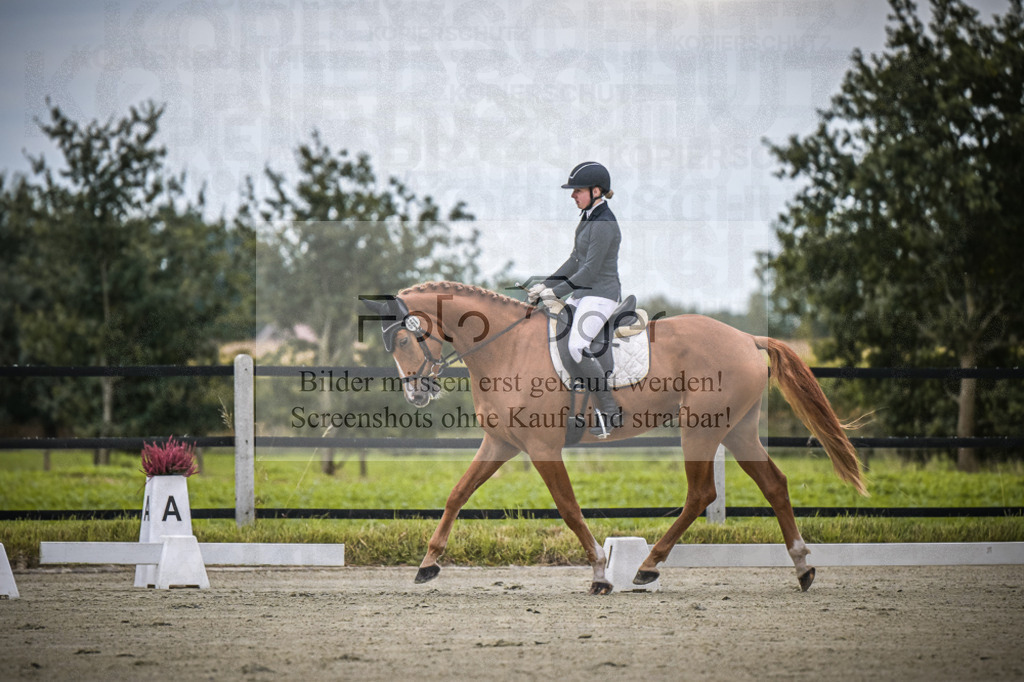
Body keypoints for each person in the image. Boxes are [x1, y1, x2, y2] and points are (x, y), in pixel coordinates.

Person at [528, 161, 623, 438]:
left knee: (577, 346)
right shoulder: (588, 217)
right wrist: (544, 284)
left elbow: (590, 270)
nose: (573, 195)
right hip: (583, 294)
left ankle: (609, 412)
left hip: (602, 295)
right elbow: (574, 260)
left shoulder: (604, 223)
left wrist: (555, 293)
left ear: (596, 191)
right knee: (554, 338)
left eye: (577, 190)